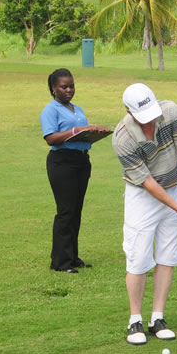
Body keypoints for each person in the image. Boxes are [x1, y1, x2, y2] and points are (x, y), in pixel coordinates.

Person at [111, 83, 177, 345]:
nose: (151, 120)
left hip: (175, 189)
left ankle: (157, 318)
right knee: (138, 257)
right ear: (129, 111)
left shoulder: (170, 111)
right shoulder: (122, 139)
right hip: (142, 196)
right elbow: (148, 183)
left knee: (168, 254)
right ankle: (134, 320)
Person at [40, 68, 110, 273]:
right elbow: (51, 138)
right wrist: (78, 130)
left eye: (71, 86)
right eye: (64, 87)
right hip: (62, 163)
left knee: (76, 211)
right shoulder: (50, 110)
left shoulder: (76, 109)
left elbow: (79, 135)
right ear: (54, 89)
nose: (69, 90)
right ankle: (60, 263)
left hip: (81, 162)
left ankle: (71, 256)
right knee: (66, 211)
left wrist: (94, 133)